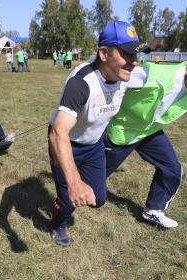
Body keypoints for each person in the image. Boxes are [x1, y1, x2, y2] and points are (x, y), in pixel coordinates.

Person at [105, 45, 187, 228]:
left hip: (149, 132)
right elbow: (118, 79)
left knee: (172, 169)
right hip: (123, 131)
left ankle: (154, 210)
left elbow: (178, 94)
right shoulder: (153, 75)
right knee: (93, 180)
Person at [48, 21, 150, 246]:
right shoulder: (81, 82)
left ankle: (68, 192)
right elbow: (58, 133)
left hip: (94, 145)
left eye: (137, 55)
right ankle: (58, 222)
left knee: (99, 199)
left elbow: (162, 77)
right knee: (68, 200)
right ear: (104, 53)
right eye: (127, 54)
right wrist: (74, 181)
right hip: (68, 143)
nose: (134, 62)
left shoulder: (127, 74)